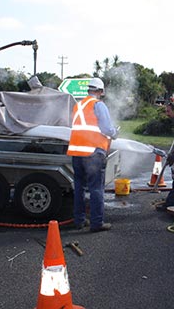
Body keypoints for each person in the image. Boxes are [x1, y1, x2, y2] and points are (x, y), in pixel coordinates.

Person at [67, 78, 118, 232]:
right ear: (100, 92)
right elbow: (107, 129)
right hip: (93, 153)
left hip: (76, 153)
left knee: (79, 188)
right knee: (96, 189)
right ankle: (97, 223)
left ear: (88, 90)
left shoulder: (78, 106)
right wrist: (115, 132)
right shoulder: (98, 105)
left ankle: (79, 220)